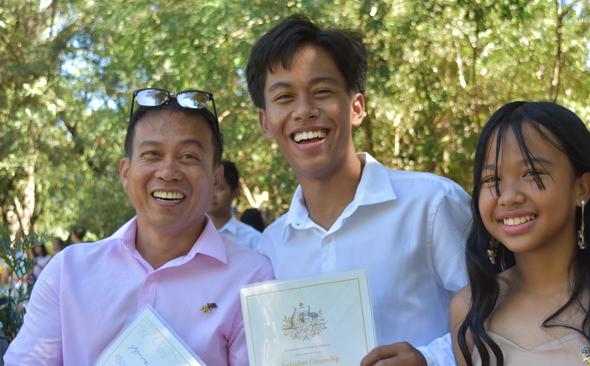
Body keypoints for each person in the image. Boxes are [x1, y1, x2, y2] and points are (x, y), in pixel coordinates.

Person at [246, 14, 471, 366]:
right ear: (265, 122)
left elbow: (501, 312)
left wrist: (430, 359)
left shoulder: (431, 205)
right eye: (285, 97)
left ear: (356, 107)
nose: (304, 111)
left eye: (321, 92)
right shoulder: (270, 248)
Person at [4, 88, 274, 365]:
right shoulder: (67, 274)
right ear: (125, 172)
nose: (168, 172)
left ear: (216, 178)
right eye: (152, 154)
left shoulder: (252, 280)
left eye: (189, 157)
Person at [450, 101, 590, 365]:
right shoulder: (470, 308)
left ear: (582, 189)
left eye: (532, 173)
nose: (508, 197)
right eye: (492, 180)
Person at [208, 160, 266, 250]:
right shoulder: (187, 235)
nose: (212, 194)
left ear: (235, 192)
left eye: (220, 188)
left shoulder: (253, 240)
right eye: (208, 187)